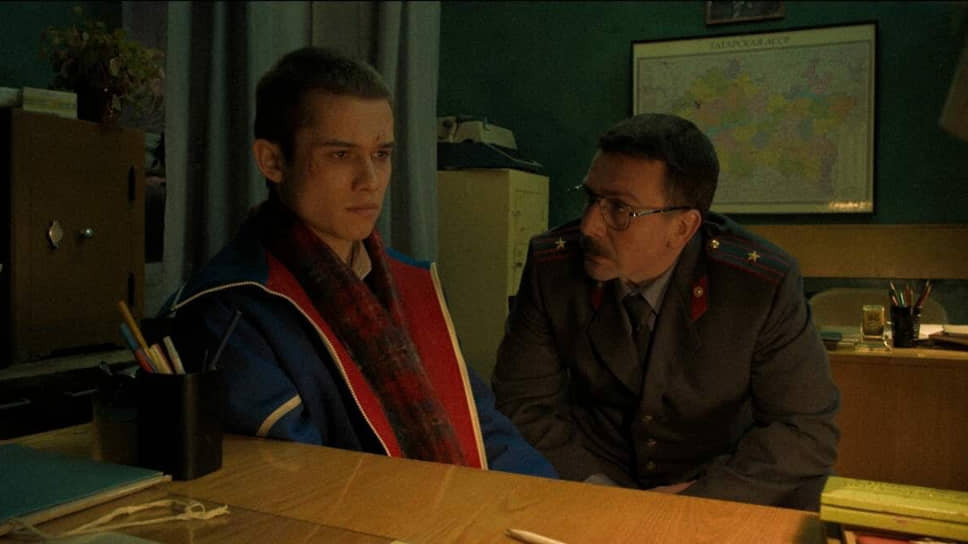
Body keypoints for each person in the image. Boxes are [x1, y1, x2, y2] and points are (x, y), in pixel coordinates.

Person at [166, 46, 556, 478]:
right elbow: (302, 480)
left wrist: (552, 502)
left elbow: (483, 429)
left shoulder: (411, 283)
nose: (369, 181)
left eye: (381, 154)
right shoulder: (230, 309)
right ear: (273, 161)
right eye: (340, 155)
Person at [492, 113, 839, 509]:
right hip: (591, 480)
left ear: (683, 227)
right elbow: (523, 405)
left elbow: (804, 430)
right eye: (591, 199)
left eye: (619, 209)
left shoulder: (759, 286)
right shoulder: (552, 266)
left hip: (713, 485)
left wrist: (698, 498)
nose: (589, 226)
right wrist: (596, 488)